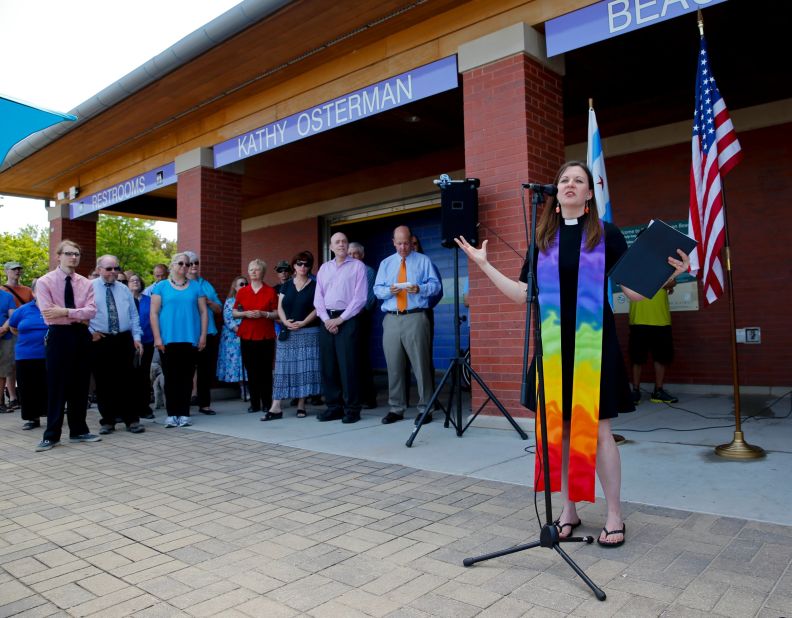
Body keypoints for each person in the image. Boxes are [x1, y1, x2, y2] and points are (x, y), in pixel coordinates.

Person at [455, 161, 690, 548]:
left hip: (593, 348)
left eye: (578, 180)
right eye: (564, 179)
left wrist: (669, 276)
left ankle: (615, 514)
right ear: (556, 192)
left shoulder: (605, 234)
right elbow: (523, 294)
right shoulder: (543, 239)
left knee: (598, 431)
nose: (569, 184)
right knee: (559, 432)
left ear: (588, 194)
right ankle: (569, 509)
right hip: (553, 349)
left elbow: (631, 291)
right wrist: (484, 266)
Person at [34, 240, 101, 452]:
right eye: (69, 253)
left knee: (80, 384)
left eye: (77, 254)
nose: (74, 257)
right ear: (59, 256)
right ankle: (51, 435)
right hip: (59, 335)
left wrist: (64, 312)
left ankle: (79, 430)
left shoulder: (86, 283)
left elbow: (91, 312)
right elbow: (47, 311)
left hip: (81, 335)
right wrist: (76, 314)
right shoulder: (45, 282)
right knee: (56, 385)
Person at [374, 225, 441, 425]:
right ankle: (396, 407)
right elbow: (377, 290)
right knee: (394, 365)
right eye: (399, 243)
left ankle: (426, 407)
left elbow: (436, 286)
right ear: (393, 242)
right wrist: (390, 291)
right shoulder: (386, 263)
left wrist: (419, 287)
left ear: (412, 241)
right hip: (392, 318)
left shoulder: (423, 261)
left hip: (416, 316)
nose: (403, 247)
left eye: (406, 243)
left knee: (421, 365)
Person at [313, 232, 367, 423]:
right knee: (329, 366)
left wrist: (341, 319)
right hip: (327, 320)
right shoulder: (324, 268)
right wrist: (327, 319)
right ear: (331, 247)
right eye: (337, 242)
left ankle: (352, 409)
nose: (341, 244)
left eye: (344, 241)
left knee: (348, 366)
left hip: (348, 319)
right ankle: (333, 407)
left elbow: (360, 298)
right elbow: (318, 297)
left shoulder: (358, 267)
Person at [89, 255, 146, 435]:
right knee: (104, 381)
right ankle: (108, 420)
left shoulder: (123, 289)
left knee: (128, 381)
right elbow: (81, 314)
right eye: (109, 269)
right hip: (101, 339)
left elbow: (134, 316)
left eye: (116, 268)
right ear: (99, 269)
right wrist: (91, 332)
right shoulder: (88, 288)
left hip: (124, 339)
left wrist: (137, 337)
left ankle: (132, 420)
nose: (114, 272)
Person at [150, 252, 208, 428]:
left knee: (186, 377)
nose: (185, 267)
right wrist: (157, 337)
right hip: (168, 340)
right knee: (171, 377)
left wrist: (203, 336)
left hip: (190, 339)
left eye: (188, 264)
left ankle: (183, 413)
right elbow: (154, 312)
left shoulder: (196, 287)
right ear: (172, 265)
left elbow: (204, 312)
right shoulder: (161, 287)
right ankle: (171, 414)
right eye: (181, 263)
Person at [267, 252, 321, 420]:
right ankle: (275, 407)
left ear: (310, 266)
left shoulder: (315, 285)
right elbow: (280, 306)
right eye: (299, 264)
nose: (302, 267)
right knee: (282, 370)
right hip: (288, 332)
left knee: (303, 369)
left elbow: (319, 307)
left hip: (309, 332)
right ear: (294, 266)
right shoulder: (287, 285)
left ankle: (301, 405)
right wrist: (285, 322)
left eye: (306, 264)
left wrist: (304, 322)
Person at [233, 259, 278, 415]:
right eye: (251, 269)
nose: (253, 272)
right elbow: (234, 312)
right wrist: (245, 313)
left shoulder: (270, 291)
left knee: (265, 370)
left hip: (266, 335)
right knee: (251, 369)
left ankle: (267, 403)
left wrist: (264, 314)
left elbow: (277, 313)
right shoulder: (242, 292)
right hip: (247, 335)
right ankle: (254, 403)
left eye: (256, 269)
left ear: (262, 272)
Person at [629, 281, 679, 404]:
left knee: (662, 357)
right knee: (637, 358)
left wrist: (662, 283)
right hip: (638, 318)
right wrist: (660, 283)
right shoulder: (633, 267)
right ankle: (635, 391)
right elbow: (629, 284)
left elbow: (672, 283)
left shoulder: (663, 263)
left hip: (661, 319)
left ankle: (658, 391)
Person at [185, 251, 222, 416]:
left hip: (207, 333)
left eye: (196, 263)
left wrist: (208, 301)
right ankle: (184, 405)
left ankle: (204, 404)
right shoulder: (180, 285)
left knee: (205, 371)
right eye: (190, 263)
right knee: (186, 371)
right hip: (187, 334)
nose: (193, 266)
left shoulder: (206, 285)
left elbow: (218, 309)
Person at [8, 279, 47, 430]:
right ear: (33, 292)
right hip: (25, 355)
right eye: (40, 290)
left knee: (47, 386)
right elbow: (13, 327)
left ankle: (51, 414)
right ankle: (32, 418)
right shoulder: (23, 310)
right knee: (27, 388)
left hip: (48, 355)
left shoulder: (53, 308)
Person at [348, 241, 378, 409]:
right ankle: (355, 396)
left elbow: (367, 300)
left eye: (355, 254)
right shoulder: (346, 272)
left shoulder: (368, 271)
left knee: (361, 358)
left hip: (361, 318)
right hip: (347, 318)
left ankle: (369, 398)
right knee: (351, 359)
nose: (352, 256)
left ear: (362, 255)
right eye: (350, 254)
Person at [2, 261, 34, 411]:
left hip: (26, 330)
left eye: (19, 269)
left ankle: (22, 394)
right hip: (11, 330)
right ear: (6, 271)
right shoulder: (2, 290)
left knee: (22, 363)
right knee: (10, 365)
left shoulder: (27, 290)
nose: (17, 271)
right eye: (14, 269)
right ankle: (13, 397)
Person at [128, 272, 156, 420]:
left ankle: (144, 407)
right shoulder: (125, 300)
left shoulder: (149, 300)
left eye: (138, 280)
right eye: (132, 280)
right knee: (130, 375)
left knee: (144, 374)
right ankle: (129, 407)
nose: (135, 282)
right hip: (129, 343)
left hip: (147, 341)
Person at [216, 275, 248, 398]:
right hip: (234, 336)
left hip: (248, 334)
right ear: (234, 287)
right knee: (237, 362)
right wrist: (239, 331)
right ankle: (242, 388)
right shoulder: (230, 301)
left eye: (246, 284)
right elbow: (228, 319)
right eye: (241, 284)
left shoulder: (249, 299)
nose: (244, 286)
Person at [0, 287, 15, 414]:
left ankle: (0, 403)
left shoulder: (7, 297)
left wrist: (3, 329)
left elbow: (12, 316)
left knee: (2, 370)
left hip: (5, 337)